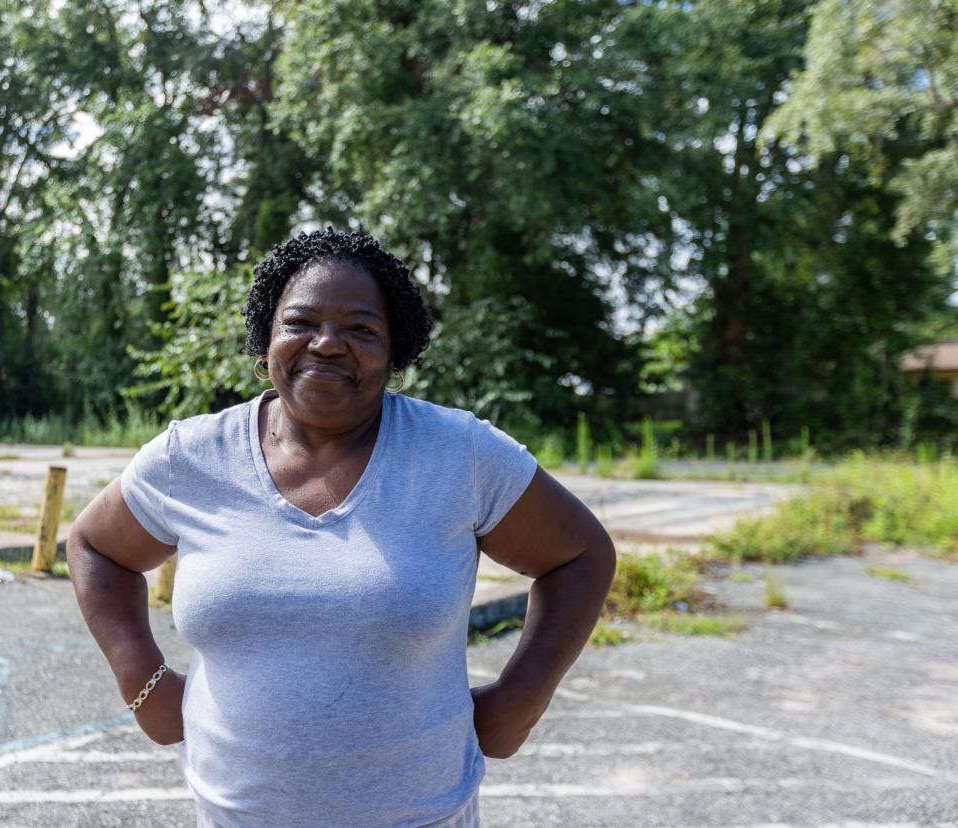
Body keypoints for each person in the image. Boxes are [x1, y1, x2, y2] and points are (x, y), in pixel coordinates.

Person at [68, 228, 616, 827]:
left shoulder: (458, 455)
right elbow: (95, 546)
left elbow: (580, 555)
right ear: (266, 338)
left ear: (396, 350)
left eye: (360, 330)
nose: (326, 344)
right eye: (299, 322)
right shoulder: (192, 458)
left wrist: (520, 700)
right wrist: (141, 682)